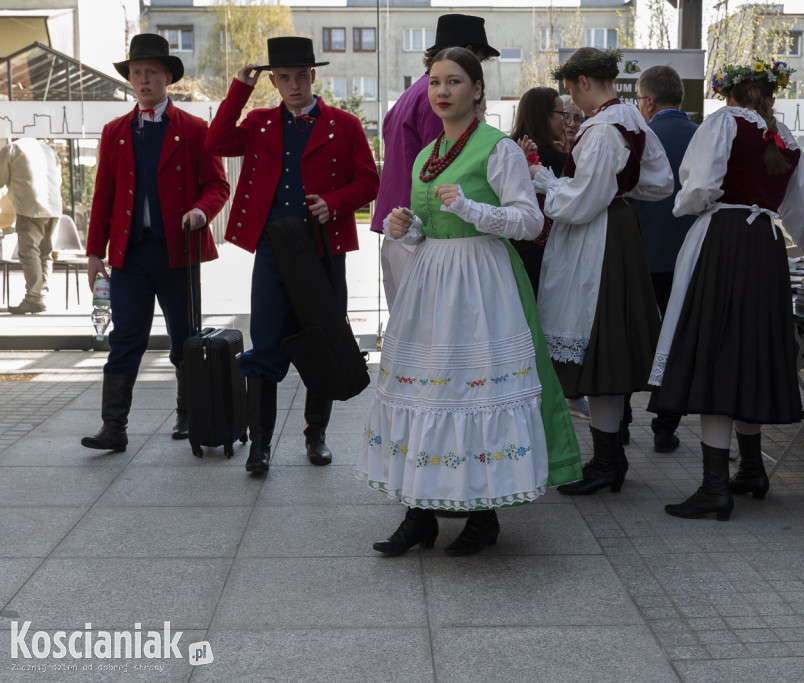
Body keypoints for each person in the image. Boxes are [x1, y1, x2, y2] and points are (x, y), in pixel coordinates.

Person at [359, 47, 581, 557]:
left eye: (454, 81)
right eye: (435, 81)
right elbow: (431, 226)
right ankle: (419, 515)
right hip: (432, 284)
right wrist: (408, 227)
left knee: (475, 393)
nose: (442, 91)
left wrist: (471, 208)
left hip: (483, 284)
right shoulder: (425, 155)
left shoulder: (498, 149)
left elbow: (530, 220)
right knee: (428, 394)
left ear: (477, 89)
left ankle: (483, 517)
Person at [650, 60, 804, 520]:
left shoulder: (723, 122)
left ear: (728, 93)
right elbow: (801, 219)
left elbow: (700, 188)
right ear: (770, 94)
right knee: (746, 353)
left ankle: (715, 488)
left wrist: (687, 206)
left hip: (725, 240)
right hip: (765, 247)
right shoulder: (787, 140)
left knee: (716, 354)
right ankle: (751, 469)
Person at [206, 37, 379, 474]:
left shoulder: (345, 124)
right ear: (274, 82)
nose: (294, 84)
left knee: (323, 339)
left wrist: (335, 203)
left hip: (323, 249)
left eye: (301, 75)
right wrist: (240, 89)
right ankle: (260, 445)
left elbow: (369, 181)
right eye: (284, 77)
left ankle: (315, 434)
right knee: (264, 342)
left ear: (313, 76)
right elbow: (217, 140)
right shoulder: (260, 123)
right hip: (273, 249)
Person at [531, 48, 673, 496]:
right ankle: (609, 460)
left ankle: (608, 463)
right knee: (605, 350)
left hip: (597, 238)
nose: (571, 100)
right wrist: (619, 190)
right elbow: (660, 182)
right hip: (618, 228)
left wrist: (544, 182)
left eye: (571, 90)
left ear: (584, 83)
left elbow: (579, 203)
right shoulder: (632, 120)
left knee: (597, 341)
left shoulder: (602, 129)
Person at [81, 33, 229, 452]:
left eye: (150, 72)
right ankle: (114, 427)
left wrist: (200, 211)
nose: (143, 80)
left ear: (168, 77)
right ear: (130, 79)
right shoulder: (115, 131)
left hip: (178, 252)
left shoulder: (195, 129)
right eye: (136, 73)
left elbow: (218, 185)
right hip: (129, 255)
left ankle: (189, 413)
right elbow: (103, 196)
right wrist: (94, 253)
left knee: (185, 338)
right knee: (125, 338)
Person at [371, 14, 499, 310]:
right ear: (468, 52)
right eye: (479, 60)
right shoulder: (440, 101)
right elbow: (449, 166)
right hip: (420, 232)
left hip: (400, 229)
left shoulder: (413, 93)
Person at [629, 65, 699, 454]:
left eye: (640, 99)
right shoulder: (703, 137)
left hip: (640, 254)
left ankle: (618, 424)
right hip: (688, 258)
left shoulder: (640, 138)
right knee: (675, 341)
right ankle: (665, 425)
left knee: (630, 337)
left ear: (650, 101)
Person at [508, 86, 569, 293]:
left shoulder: (505, 148)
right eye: (562, 114)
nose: (565, 121)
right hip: (541, 255)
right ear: (544, 116)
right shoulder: (559, 160)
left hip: (509, 250)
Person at [0, 138, 62, 314]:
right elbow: (58, 179)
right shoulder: (47, 149)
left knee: (29, 252)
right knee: (45, 253)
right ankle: (41, 296)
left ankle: (34, 299)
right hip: (54, 206)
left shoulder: (12, 149)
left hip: (31, 206)